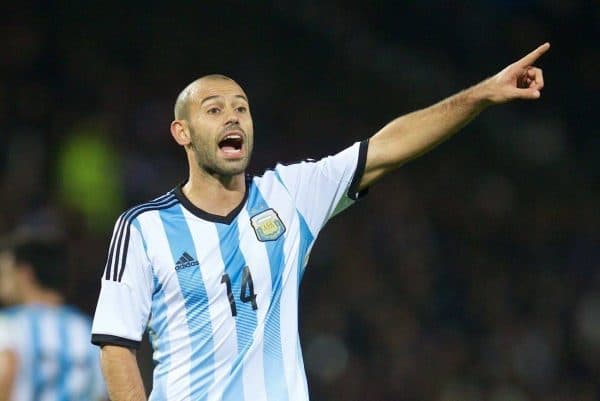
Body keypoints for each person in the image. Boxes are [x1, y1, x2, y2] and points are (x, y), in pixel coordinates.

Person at [91, 43, 550, 401]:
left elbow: (388, 147)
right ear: (182, 132)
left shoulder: (289, 195)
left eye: (241, 107)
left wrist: (484, 94)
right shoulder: (143, 229)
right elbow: (117, 347)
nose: (232, 116)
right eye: (214, 109)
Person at [0, 227, 107, 401]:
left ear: (24, 274)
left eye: (4, 273)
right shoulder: (88, 330)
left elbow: (4, 375)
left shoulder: (7, 326)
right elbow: (100, 394)